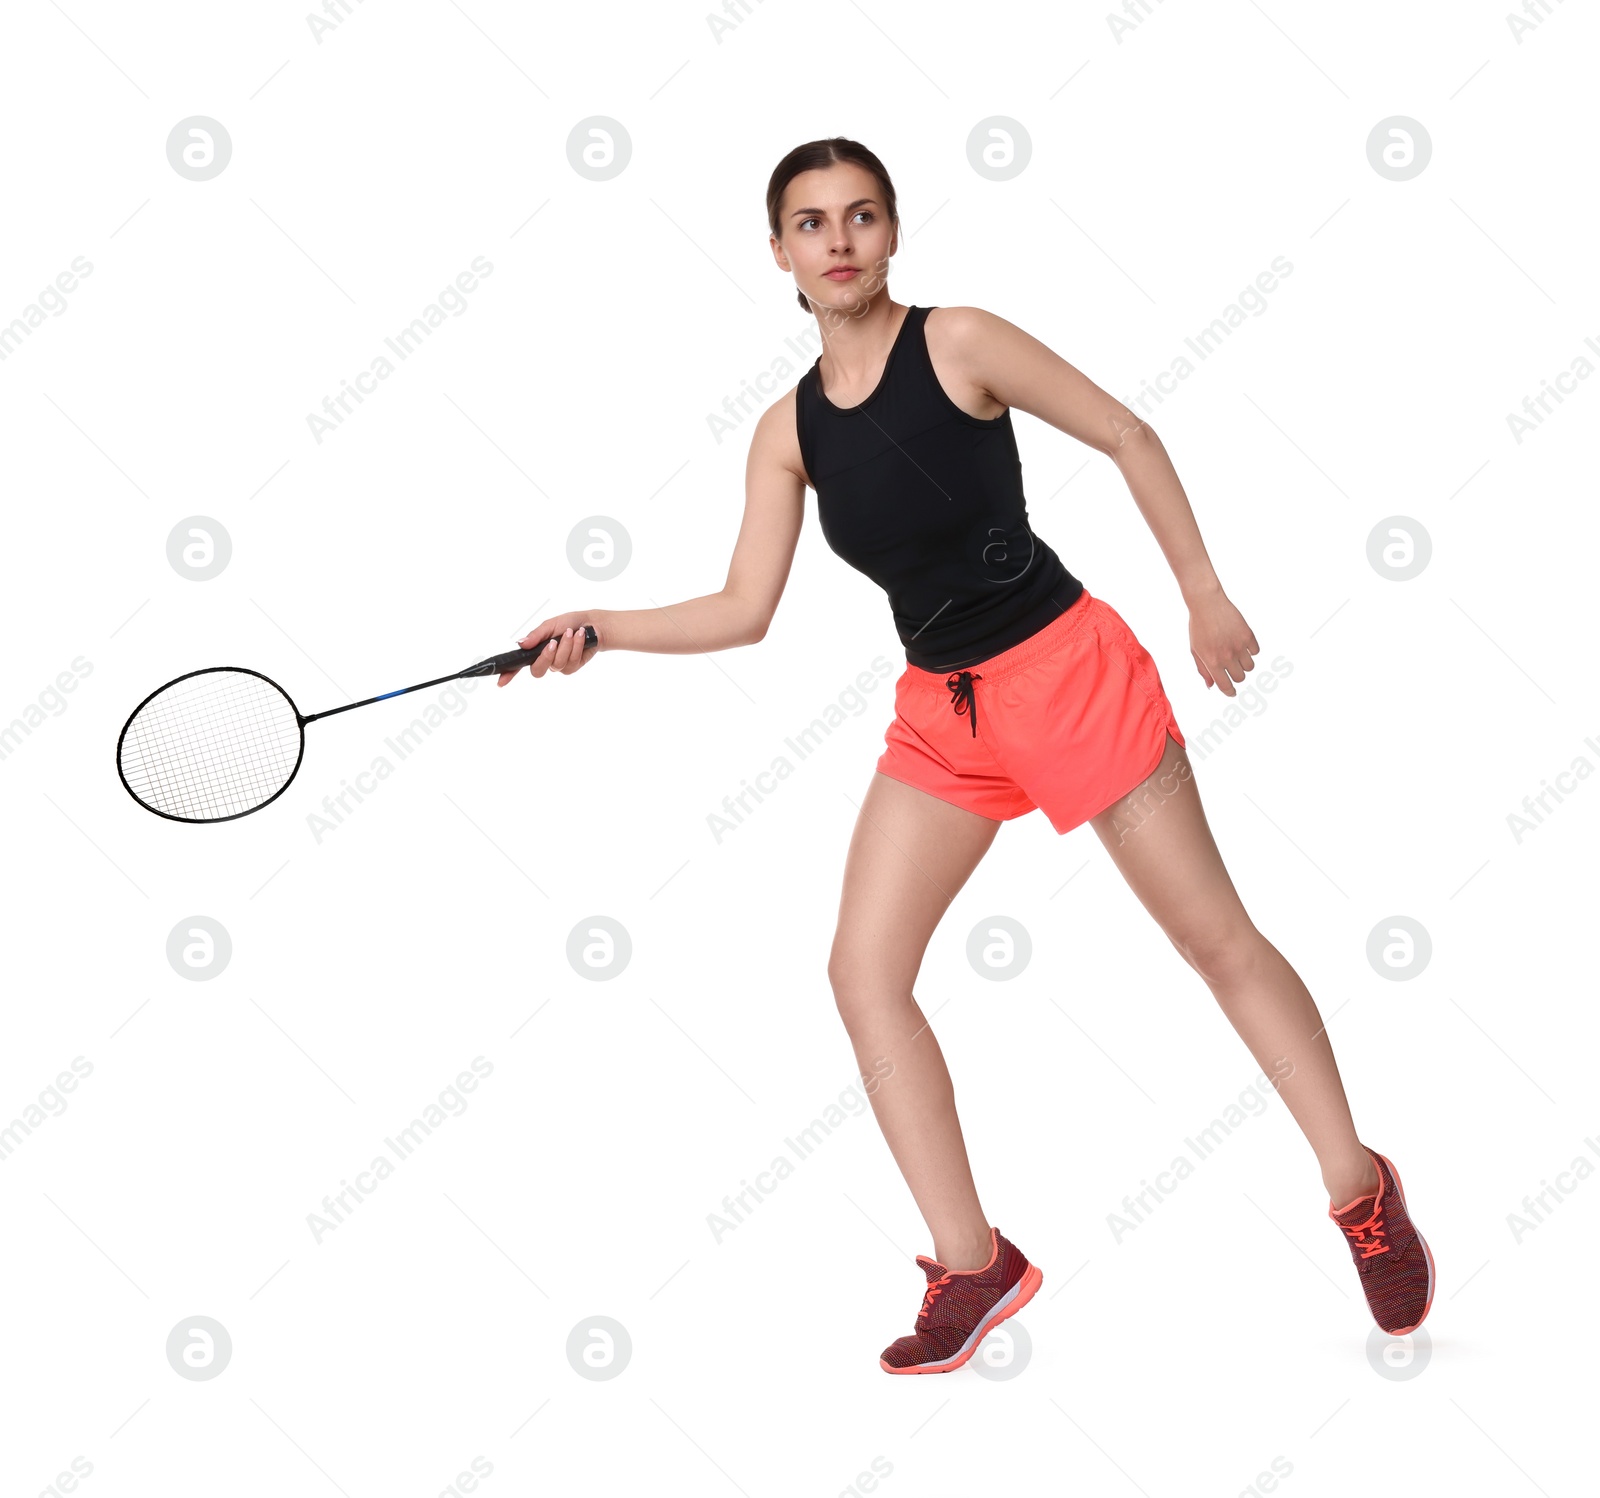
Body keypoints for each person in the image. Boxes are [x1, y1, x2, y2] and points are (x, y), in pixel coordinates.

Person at [498, 136, 1436, 1373]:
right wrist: (599, 630)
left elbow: (1128, 434)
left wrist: (1204, 596)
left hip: (1066, 672)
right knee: (861, 972)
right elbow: (743, 607)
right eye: (811, 221)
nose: (838, 240)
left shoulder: (960, 343)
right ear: (776, 250)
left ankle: (1357, 1186)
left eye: (862, 215)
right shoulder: (786, 433)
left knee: (1213, 940)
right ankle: (973, 1259)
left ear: (891, 233)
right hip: (945, 712)